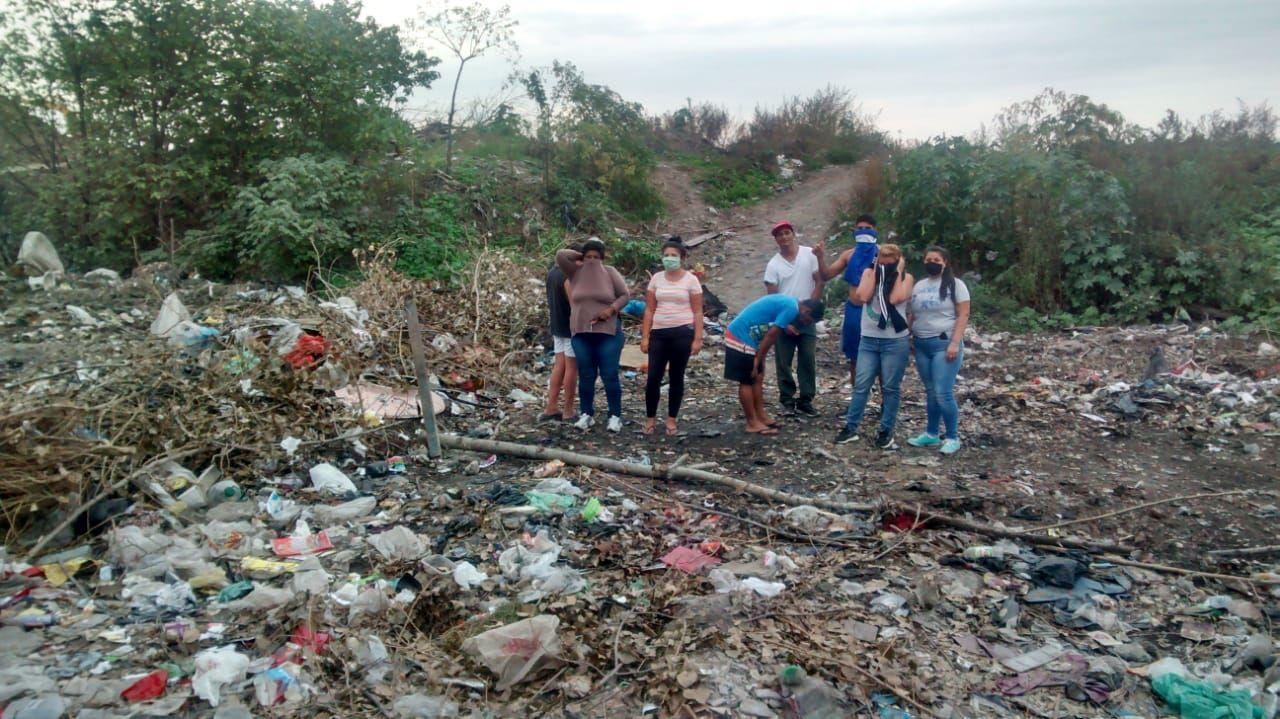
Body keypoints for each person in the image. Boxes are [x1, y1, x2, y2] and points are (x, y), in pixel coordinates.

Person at [834, 243, 913, 449]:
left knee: (890, 387)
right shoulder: (870, 274)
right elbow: (862, 296)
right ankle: (851, 427)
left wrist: (897, 272)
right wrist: (873, 272)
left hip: (894, 340)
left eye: (890, 264)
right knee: (861, 385)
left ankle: (886, 430)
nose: (885, 267)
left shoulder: (906, 278)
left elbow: (896, 298)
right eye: (882, 263)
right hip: (869, 338)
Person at [555, 238, 630, 432]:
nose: (592, 260)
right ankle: (586, 414)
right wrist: (582, 255)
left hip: (608, 333)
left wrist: (611, 310)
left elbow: (625, 295)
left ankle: (615, 416)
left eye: (596, 257)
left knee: (609, 374)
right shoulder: (575, 273)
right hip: (581, 333)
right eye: (588, 256)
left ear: (602, 258)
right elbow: (561, 255)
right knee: (586, 375)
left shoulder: (610, 272)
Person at [725, 294, 825, 435]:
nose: (805, 324)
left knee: (758, 377)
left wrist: (760, 357)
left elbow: (771, 333)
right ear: (806, 311)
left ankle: (761, 416)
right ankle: (751, 422)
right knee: (747, 379)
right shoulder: (791, 308)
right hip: (740, 335)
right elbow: (772, 334)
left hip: (752, 338)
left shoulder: (792, 306)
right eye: (808, 321)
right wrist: (758, 358)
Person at [907, 246, 971, 455]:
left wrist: (955, 342)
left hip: (944, 344)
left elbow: (963, 315)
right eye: (928, 259)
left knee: (943, 392)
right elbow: (913, 314)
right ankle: (931, 433)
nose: (931, 262)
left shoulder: (956, 285)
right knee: (931, 392)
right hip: (922, 344)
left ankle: (952, 436)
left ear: (945, 263)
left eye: (936, 259)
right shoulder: (919, 285)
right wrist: (909, 336)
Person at [641, 238, 704, 436]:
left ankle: (671, 420)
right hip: (658, 334)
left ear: (682, 258)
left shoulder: (691, 280)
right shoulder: (656, 279)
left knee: (676, 376)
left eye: (674, 256)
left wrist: (697, 338)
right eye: (666, 255)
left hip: (682, 333)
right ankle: (650, 419)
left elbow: (697, 312)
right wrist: (645, 336)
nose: (669, 259)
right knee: (653, 378)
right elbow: (649, 309)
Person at [763, 220, 826, 416]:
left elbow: (819, 281)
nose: (784, 237)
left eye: (786, 233)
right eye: (779, 235)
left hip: (807, 316)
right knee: (784, 361)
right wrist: (784, 322)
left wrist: (810, 308)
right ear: (776, 239)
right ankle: (787, 399)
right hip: (784, 317)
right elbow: (772, 296)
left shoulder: (809, 254)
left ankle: (806, 399)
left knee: (808, 358)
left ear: (793, 234)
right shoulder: (773, 265)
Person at [819, 214, 880, 388]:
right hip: (854, 310)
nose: (862, 232)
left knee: (880, 357)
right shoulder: (849, 254)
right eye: (859, 228)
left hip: (874, 311)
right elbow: (826, 275)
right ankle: (857, 399)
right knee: (854, 357)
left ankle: (885, 402)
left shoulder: (882, 253)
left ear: (875, 230)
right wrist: (820, 257)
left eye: (867, 228)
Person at [540, 242, 582, 423]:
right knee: (572, 367)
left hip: (557, 326)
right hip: (570, 328)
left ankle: (551, 407)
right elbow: (576, 306)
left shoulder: (552, 273)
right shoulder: (568, 276)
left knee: (559, 365)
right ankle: (568, 410)